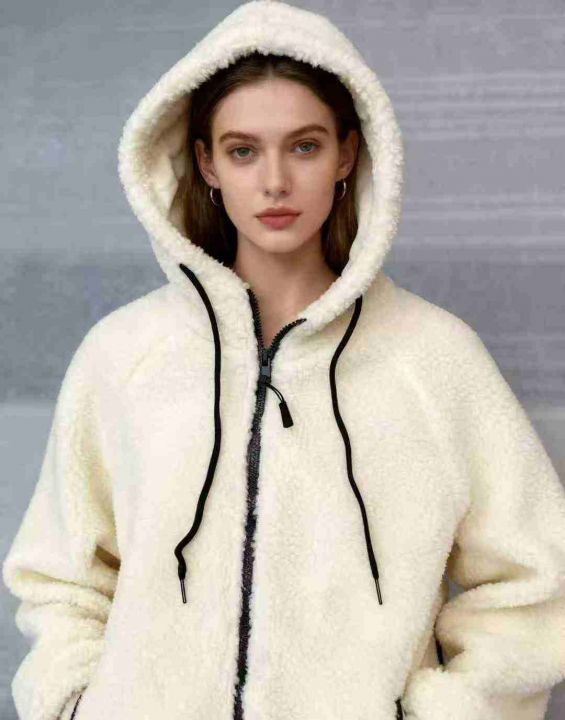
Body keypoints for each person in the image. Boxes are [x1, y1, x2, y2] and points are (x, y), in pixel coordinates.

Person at [3, 2, 565, 719]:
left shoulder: (433, 358)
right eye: (243, 151)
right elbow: (60, 577)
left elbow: (533, 584)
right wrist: (75, 702)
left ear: (347, 155)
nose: (274, 182)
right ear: (206, 163)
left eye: (303, 147)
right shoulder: (123, 355)